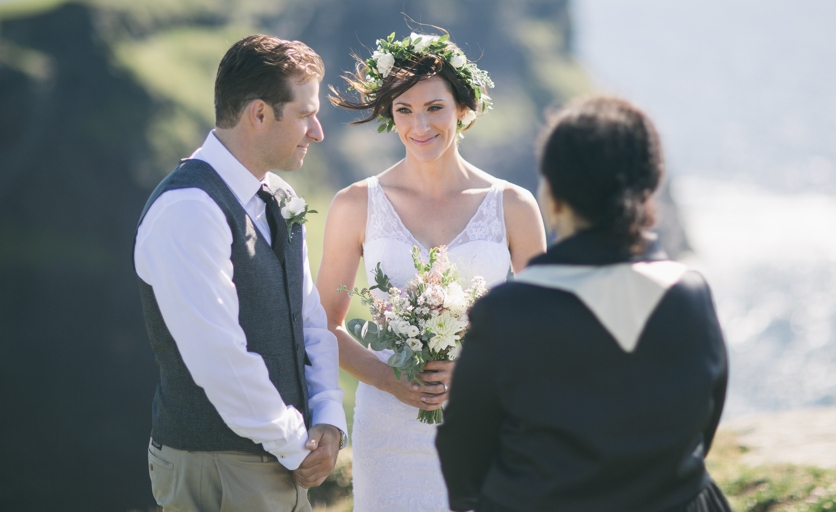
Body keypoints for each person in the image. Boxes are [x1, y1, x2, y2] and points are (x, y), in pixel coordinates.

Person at [436, 96, 732, 512]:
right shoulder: (689, 293)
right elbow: (702, 431)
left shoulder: (508, 311)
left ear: (553, 195)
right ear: (648, 189)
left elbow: (464, 461)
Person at [318, 31, 546, 511]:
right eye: (404, 110)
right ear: (390, 117)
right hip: (388, 437)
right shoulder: (356, 204)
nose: (419, 125)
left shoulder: (514, 207)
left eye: (435, 108)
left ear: (465, 109)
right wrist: (386, 378)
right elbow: (323, 325)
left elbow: (541, 331)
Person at [134, 35, 348, 511]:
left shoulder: (282, 198)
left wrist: (329, 419)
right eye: (306, 114)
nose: (317, 132)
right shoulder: (188, 209)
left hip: (283, 461)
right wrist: (298, 445)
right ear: (258, 114)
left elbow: (308, 321)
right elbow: (220, 358)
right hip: (218, 468)